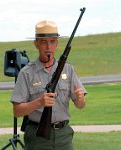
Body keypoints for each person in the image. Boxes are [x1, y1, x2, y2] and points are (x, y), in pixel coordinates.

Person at [11, 20, 87, 150]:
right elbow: (17, 111)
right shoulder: (26, 73)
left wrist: (80, 99)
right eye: (43, 42)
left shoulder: (68, 69)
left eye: (52, 42)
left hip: (64, 137)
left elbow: (80, 105)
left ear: (57, 44)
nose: (48, 47)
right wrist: (39, 103)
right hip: (37, 138)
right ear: (36, 44)